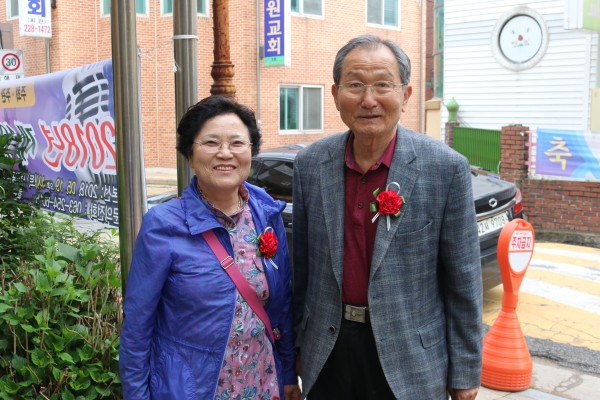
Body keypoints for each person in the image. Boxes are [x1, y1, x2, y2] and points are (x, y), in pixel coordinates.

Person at [292, 34, 483, 400]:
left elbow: (464, 282)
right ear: (335, 94)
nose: (369, 99)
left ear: (406, 94)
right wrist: (295, 350)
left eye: (383, 84)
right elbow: (302, 271)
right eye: (355, 85)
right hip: (327, 350)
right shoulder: (311, 164)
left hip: (410, 358)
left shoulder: (445, 168)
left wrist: (465, 373)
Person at [119, 96, 301, 400]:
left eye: (237, 143)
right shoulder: (163, 225)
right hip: (193, 388)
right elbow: (137, 329)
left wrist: (287, 375)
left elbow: (281, 306)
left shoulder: (266, 213)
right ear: (190, 155)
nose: (225, 153)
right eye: (211, 143)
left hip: (261, 381)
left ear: (251, 151)